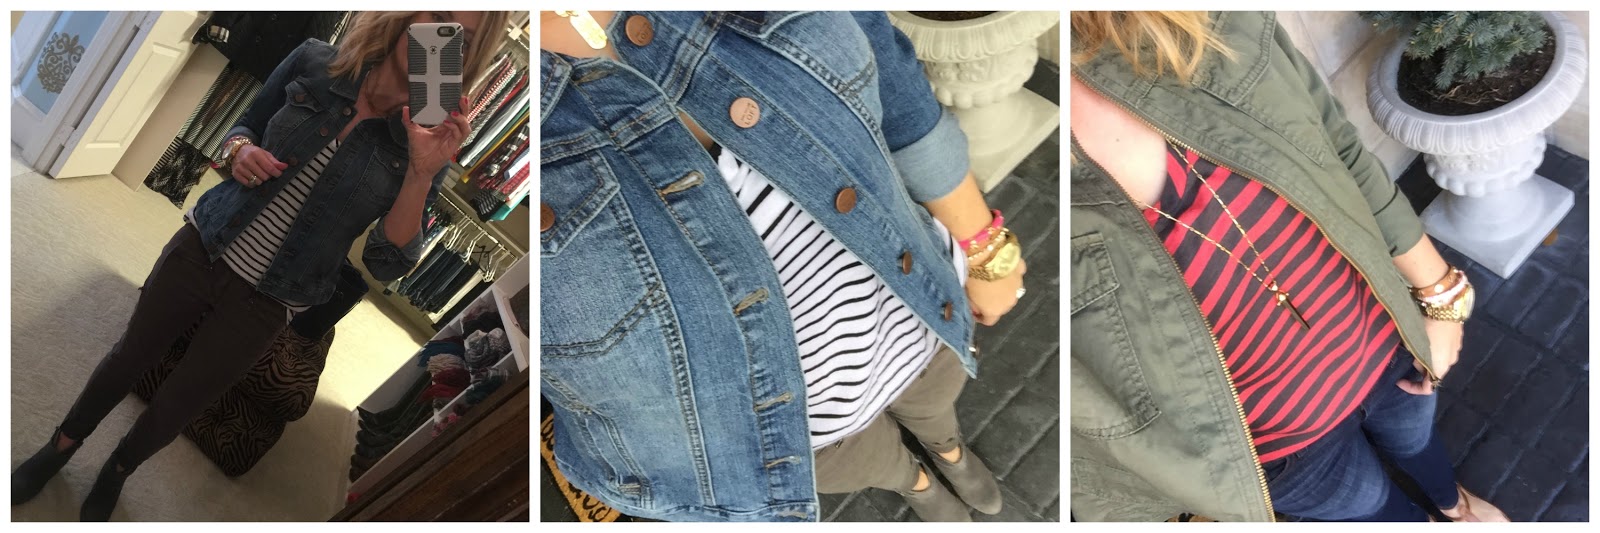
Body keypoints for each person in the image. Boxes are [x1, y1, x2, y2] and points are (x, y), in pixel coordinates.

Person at [11, 11, 509, 521]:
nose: (441, 40)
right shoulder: (316, 62)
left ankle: (118, 470)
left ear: (468, 57)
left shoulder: (429, 144)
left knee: (182, 400)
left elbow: (386, 263)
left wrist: (421, 173)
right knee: (128, 357)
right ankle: (60, 447)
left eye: (463, 37)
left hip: (271, 299)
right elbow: (243, 126)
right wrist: (240, 150)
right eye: (439, 17)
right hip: (205, 245)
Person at [540, 11, 1029, 522]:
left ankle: (949, 450)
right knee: (876, 464)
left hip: (915, 314)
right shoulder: (485, 122)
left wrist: (984, 246)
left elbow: (886, 71)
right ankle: (915, 481)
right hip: (797, 432)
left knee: (935, 405)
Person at [1068, 11, 1509, 522]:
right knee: (1375, 509)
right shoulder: (1026, 170)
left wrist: (1442, 296)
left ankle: (1454, 506)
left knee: (1419, 445)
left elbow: (1339, 148)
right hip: (1280, 452)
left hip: (1387, 341)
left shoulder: (1201, 18)